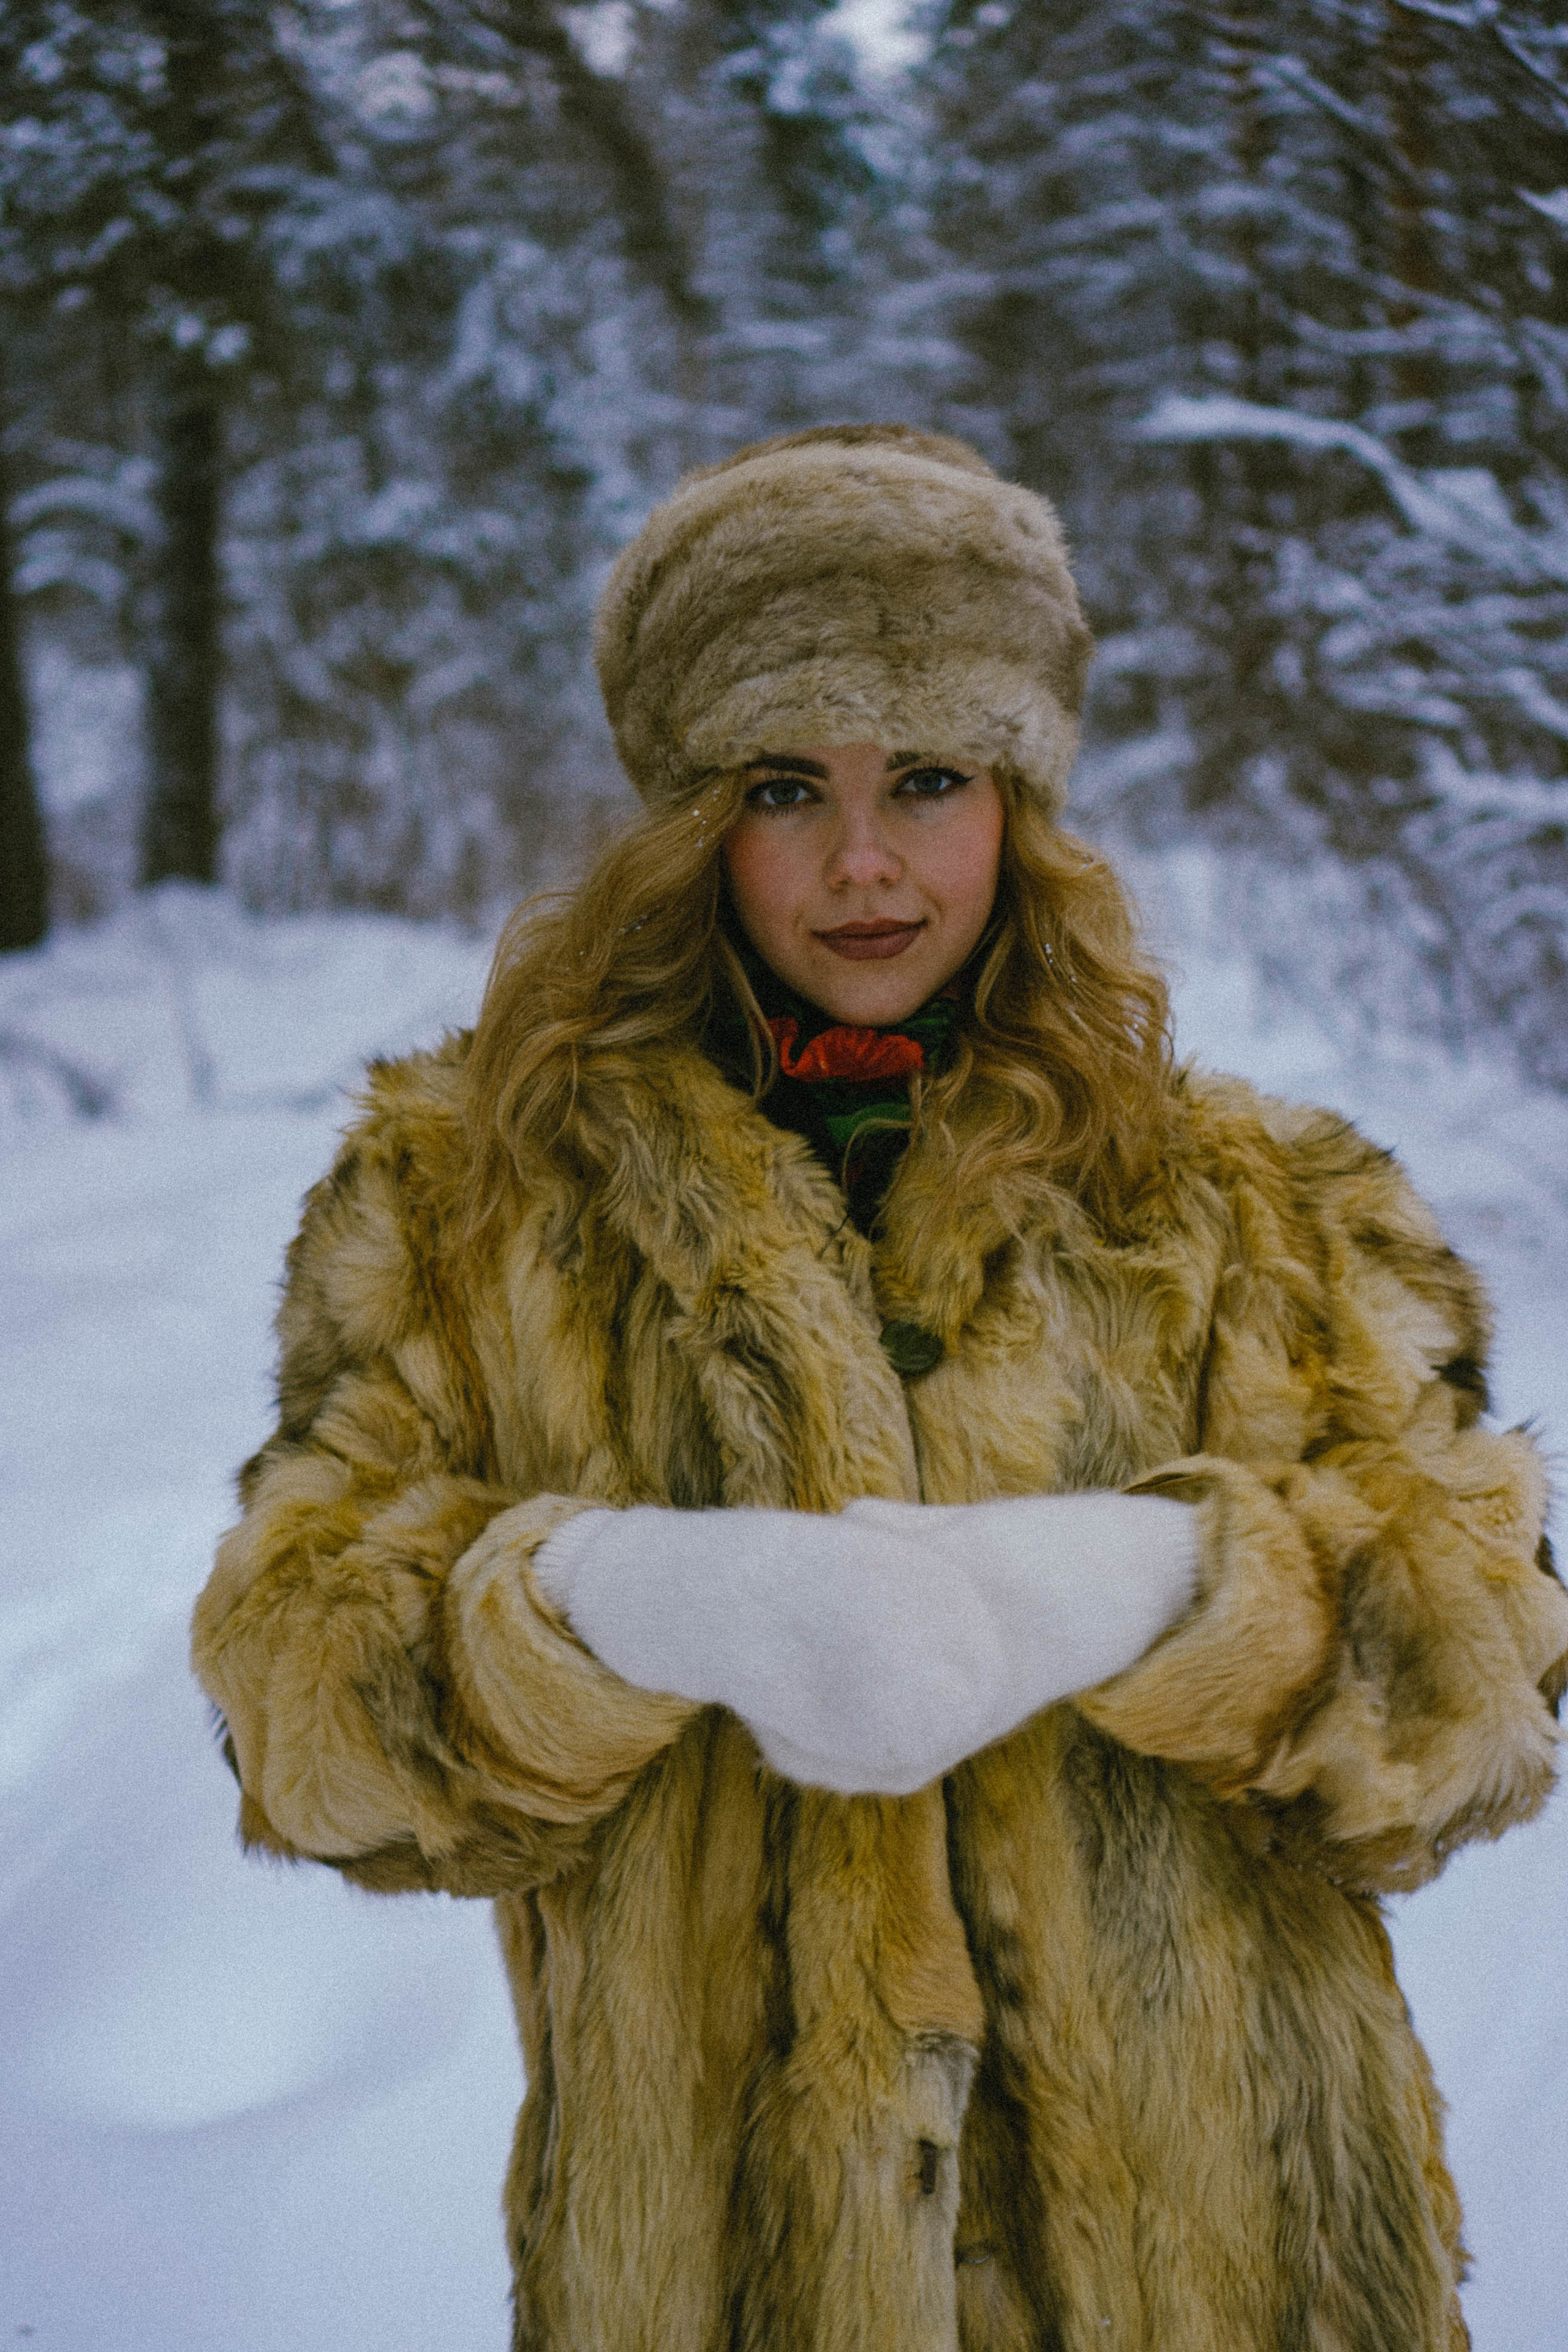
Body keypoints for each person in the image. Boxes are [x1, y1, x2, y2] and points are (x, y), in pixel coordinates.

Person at [192, 425, 1568, 2352]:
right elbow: (293, 1703)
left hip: (1237, 2278)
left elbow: (1492, 1677)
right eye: (786, 786)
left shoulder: (1255, 1202)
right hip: (730, 2289)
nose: (863, 862)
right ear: (692, 817)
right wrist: (619, 1601)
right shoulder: (466, 1201)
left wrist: (1145, 1586)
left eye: (927, 778)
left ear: (1018, 797)